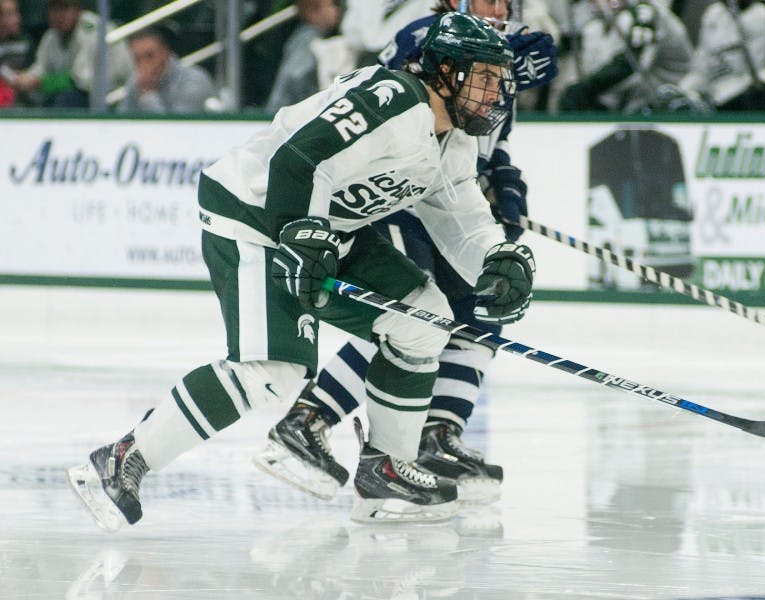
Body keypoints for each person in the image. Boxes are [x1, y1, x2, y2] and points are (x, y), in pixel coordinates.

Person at [67, 12, 534, 530]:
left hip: (323, 227)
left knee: (421, 320)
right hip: (255, 214)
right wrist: (302, 235)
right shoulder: (394, 99)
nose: (495, 94)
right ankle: (122, 457)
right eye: (486, 78)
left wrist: (499, 258)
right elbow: (297, 159)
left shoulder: (453, 144)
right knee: (272, 372)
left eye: (500, 82)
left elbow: (463, 219)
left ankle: (385, 473)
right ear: (446, 71)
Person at [253, 0, 557, 505]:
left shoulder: (498, 57)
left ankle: (437, 433)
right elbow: (401, 112)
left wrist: (502, 177)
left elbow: (489, 139)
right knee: (404, 314)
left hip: (452, 198)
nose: (498, 7)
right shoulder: (426, 34)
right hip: (401, 200)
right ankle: (309, 420)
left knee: (483, 306)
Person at [557, 0, 695, 113]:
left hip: (673, 96)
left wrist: (588, 88)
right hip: (629, 101)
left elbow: (633, 65)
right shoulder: (593, 28)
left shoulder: (647, 11)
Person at [10, 0, 131, 108]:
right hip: (82, 97)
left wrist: (40, 83)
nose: (58, 16)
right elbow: (41, 68)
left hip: (113, 96)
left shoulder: (90, 29)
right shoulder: (51, 37)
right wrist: (24, 78)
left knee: (66, 99)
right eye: (53, 9)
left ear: (77, 10)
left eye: (64, 8)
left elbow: (80, 81)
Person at [264, 0, 342, 113]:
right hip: (288, 113)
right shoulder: (307, 38)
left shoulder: (312, 36)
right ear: (312, 11)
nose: (337, 11)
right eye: (332, 5)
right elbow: (297, 74)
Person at [117, 25, 215, 113]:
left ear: (165, 53)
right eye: (137, 59)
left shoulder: (194, 81)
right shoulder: (136, 82)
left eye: (149, 56)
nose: (143, 64)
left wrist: (148, 95)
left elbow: (176, 129)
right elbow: (121, 123)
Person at [0, 0, 31, 107]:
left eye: (16, 13)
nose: (17, 19)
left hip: (24, 107)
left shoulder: (26, 44)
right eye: (9, 14)